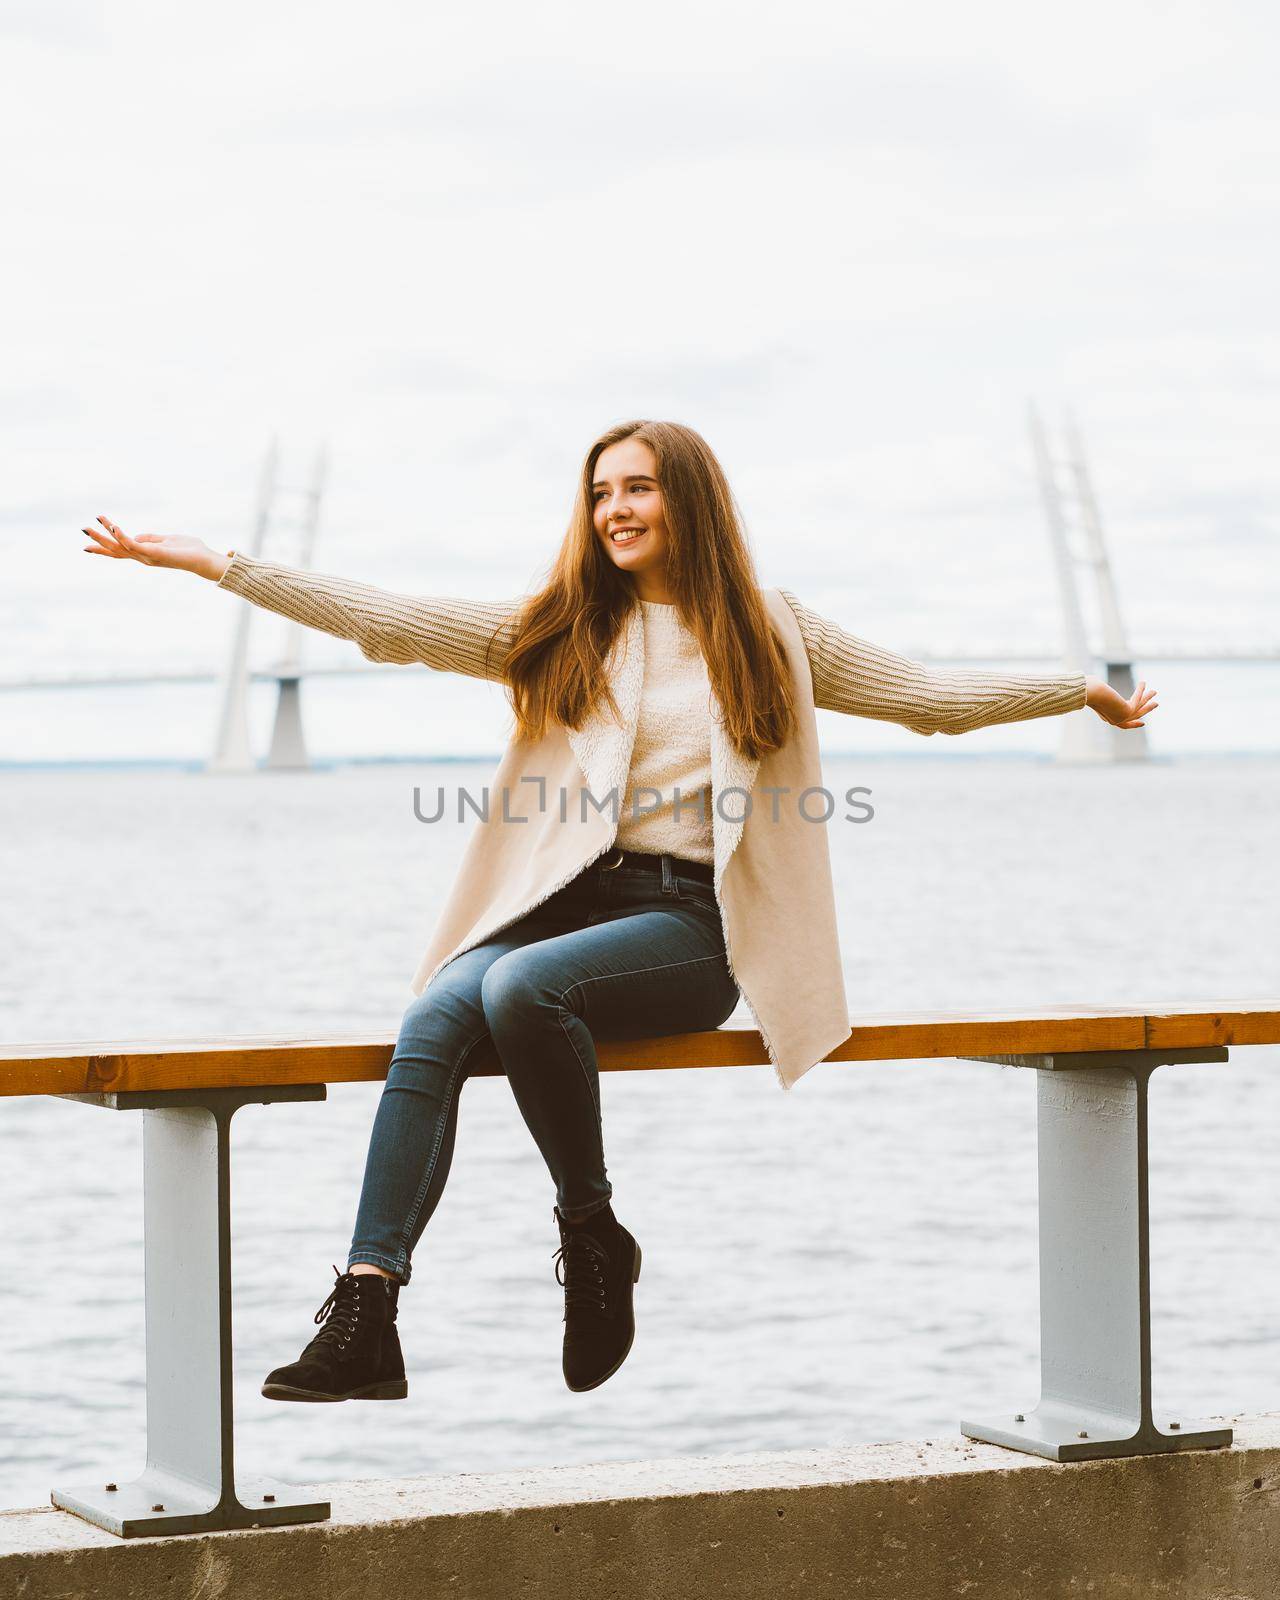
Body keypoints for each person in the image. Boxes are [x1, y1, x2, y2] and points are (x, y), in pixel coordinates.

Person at [81, 418, 1156, 1405]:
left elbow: (925, 698)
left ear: (688, 499)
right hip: (563, 911)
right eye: (600, 492)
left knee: (516, 982)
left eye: (637, 487)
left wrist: (1077, 690)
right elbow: (390, 620)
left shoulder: (771, 629)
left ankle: (591, 1235)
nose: (615, 510)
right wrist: (222, 565)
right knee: (436, 1013)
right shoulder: (563, 627)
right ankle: (367, 1309)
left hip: (689, 929)